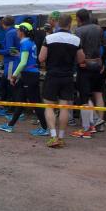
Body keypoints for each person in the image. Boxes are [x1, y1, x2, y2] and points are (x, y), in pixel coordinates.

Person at [39, 14, 85, 148]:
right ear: (70, 24)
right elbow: (81, 59)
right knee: (64, 107)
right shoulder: (76, 40)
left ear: (58, 23)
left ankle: (53, 136)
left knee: (49, 106)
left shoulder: (49, 38)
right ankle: (61, 137)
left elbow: (41, 58)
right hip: (68, 76)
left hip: (52, 75)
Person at [0, 22, 48, 136]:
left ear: (22, 32)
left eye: (18, 30)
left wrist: (14, 75)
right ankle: (10, 125)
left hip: (29, 75)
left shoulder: (25, 43)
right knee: (21, 100)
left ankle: (45, 128)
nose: (16, 31)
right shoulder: (30, 42)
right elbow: (26, 58)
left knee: (35, 103)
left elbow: (23, 62)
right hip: (29, 74)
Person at [71, 9, 106, 138]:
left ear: (78, 18)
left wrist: (79, 62)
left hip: (84, 65)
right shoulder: (98, 29)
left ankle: (87, 128)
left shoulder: (78, 31)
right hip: (97, 65)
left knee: (84, 97)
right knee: (96, 93)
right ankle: (96, 121)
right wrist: (102, 62)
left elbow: (76, 50)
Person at [0, 16, 17, 116]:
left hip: (11, 62)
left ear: (3, 24)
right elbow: (13, 48)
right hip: (13, 62)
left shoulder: (10, 33)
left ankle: (10, 109)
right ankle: (5, 107)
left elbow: (10, 51)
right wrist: (0, 44)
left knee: (8, 85)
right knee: (6, 84)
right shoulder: (14, 31)